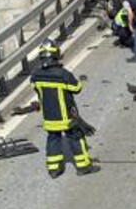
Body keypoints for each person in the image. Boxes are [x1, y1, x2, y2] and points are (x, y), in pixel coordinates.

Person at [28, 40, 99, 179]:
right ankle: (83, 166)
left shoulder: (36, 75)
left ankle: (54, 169)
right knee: (76, 138)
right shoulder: (63, 74)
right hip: (67, 117)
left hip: (49, 117)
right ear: (56, 56)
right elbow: (77, 88)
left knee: (53, 139)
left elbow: (35, 88)